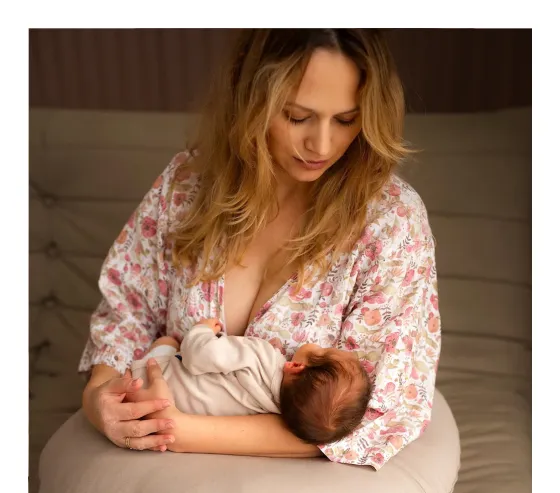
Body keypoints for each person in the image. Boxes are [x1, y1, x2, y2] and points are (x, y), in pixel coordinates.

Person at [79, 29, 441, 467]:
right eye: (296, 116)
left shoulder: (391, 222)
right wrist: (99, 401)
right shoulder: (187, 185)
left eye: (347, 119)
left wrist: (179, 430)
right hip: (153, 453)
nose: (321, 145)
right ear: (250, 100)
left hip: (281, 484)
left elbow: (374, 412)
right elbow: (127, 315)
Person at [125, 317, 372, 447]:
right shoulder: (277, 410)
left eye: (324, 350)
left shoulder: (261, 355)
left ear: (296, 366)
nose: (319, 345)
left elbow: (199, 355)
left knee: (167, 342)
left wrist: (203, 330)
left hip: (149, 379)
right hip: (157, 415)